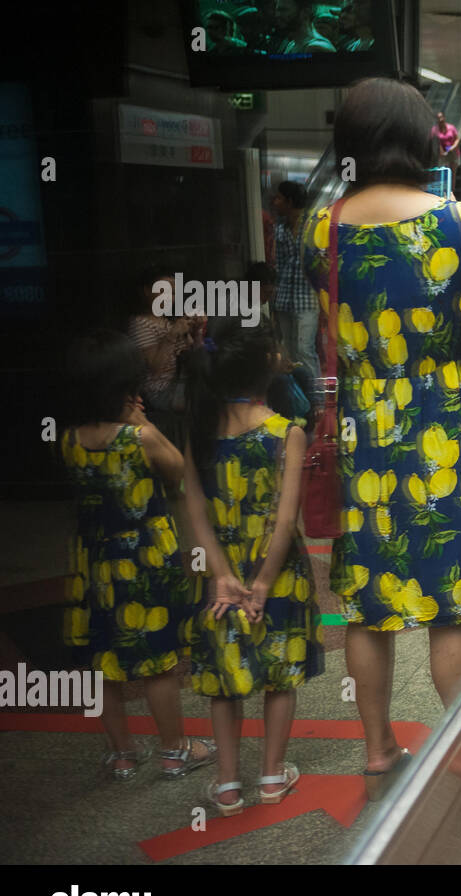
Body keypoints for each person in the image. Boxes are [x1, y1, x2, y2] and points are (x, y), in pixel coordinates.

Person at [303, 77, 461, 800]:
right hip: (444, 431)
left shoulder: (324, 227)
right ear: (423, 140)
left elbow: (330, 331)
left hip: (366, 437)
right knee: (449, 609)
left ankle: (377, 748)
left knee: (368, 608)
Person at [180, 316, 325, 816]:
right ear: (268, 365)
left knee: (224, 680)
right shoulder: (287, 433)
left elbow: (194, 510)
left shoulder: (197, 432)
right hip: (277, 576)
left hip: (220, 582)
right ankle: (269, 778)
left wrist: (222, 574)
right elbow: (286, 522)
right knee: (279, 675)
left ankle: (225, 786)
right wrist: (262, 583)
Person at [60, 330, 217, 782]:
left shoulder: (68, 439)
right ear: (122, 385)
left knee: (100, 662)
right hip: (145, 562)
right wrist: (141, 422)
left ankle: (122, 754)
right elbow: (180, 472)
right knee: (158, 661)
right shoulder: (137, 438)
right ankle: (174, 750)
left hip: (93, 564)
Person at [126, 269, 203, 448]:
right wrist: (172, 335)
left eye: (173, 292)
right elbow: (156, 367)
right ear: (146, 291)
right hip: (163, 392)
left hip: (183, 384)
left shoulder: (168, 321)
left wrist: (196, 331)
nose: (169, 297)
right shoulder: (140, 324)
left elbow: (194, 356)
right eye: (163, 290)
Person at [271, 181, 320, 383]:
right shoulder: (279, 229)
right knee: (289, 350)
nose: (275, 202)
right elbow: (279, 265)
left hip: (307, 298)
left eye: (280, 198)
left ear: (290, 201)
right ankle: (297, 396)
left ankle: (316, 397)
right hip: (284, 298)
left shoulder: (313, 226)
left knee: (304, 349)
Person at [434, 111, 461, 181]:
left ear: (444, 118)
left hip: (453, 153)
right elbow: (434, 141)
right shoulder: (435, 130)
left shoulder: (451, 128)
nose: (440, 120)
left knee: (452, 173)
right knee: (444, 173)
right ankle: (445, 189)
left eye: (441, 117)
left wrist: (452, 148)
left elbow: (457, 139)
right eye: (438, 118)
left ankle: (452, 191)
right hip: (443, 154)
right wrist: (440, 150)